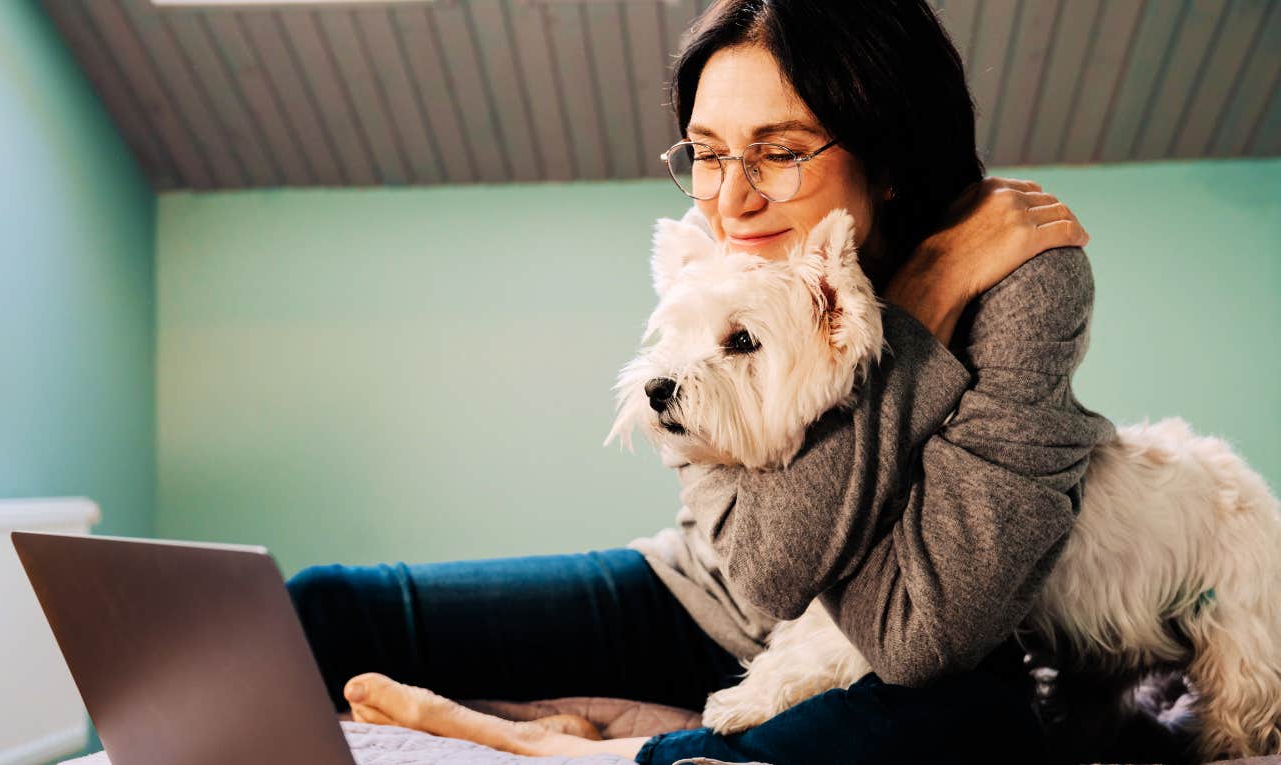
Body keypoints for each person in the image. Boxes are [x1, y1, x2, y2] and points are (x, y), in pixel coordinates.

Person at [284, 1, 1119, 763]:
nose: (731, 202)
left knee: (964, 714)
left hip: (874, 661)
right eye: (710, 155)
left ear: (890, 153)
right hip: (700, 596)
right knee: (316, 611)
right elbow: (760, 569)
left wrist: (892, 327)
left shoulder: (1023, 283)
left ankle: (614, 746)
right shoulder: (714, 265)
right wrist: (921, 305)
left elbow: (916, 637)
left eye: (779, 153)